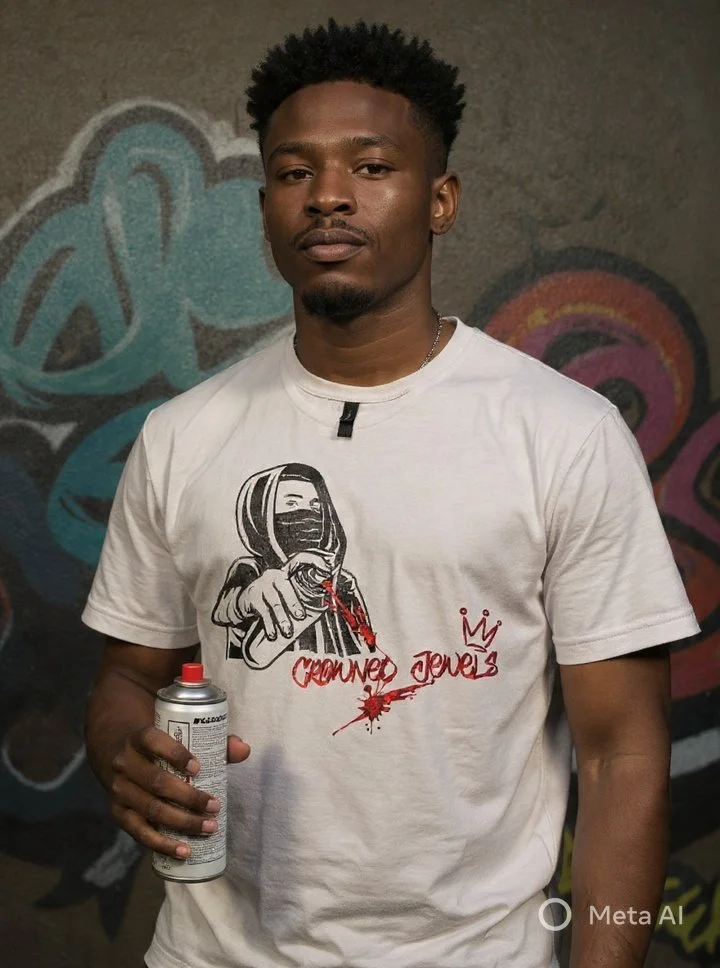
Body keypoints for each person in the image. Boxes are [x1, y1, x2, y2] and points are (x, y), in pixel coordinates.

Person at [83, 19, 699, 968]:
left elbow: (623, 755)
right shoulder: (183, 436)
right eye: (294, 172)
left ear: (441, 200)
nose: (329, 195)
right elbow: (129, 676)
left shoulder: (561, 433)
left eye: (371, 167)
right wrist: (129, 754)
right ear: (265, 208)